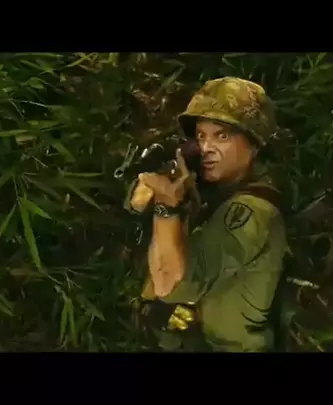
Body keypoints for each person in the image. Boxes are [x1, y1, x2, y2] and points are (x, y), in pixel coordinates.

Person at [126, 77, 288, 352]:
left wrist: (167, 206)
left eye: (221, 136)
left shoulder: (254, 211)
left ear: (254, 143)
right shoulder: (212, 191)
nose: (206, 148)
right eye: (201, 136)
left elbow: (171, 283)